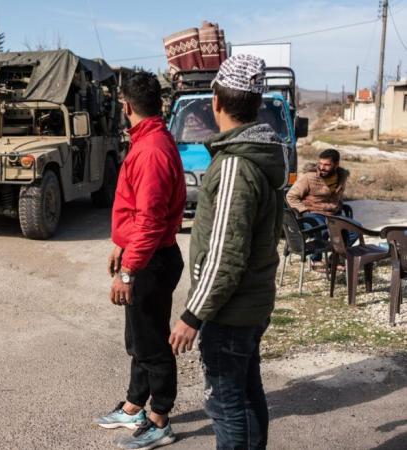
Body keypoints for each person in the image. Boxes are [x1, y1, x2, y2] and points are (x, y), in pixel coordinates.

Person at [169, 54, 287, 449]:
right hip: (248, 307)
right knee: (246, 394)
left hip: (230, 311)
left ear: (215, 101)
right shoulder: (256, 156)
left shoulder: (236, 165)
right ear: (256, 105)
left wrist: (192, 315)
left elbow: (224, 255)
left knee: (226, 405)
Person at [94, 72, 186, 450]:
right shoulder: (148, 140)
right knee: (138, 339)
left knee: (151, 345)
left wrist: (129, 272)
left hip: (151, 260)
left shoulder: (150, 150)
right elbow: (136, 210)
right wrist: (121, 242)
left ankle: (159, 418)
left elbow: (150, 220)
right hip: (145, 253)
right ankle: (135, 405)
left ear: (126, 106)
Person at [286, 149, 355, 269]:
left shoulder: (341, 177)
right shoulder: (309, 177)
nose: (322, 167)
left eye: (327, 165)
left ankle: (334, 259)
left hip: (333, 214)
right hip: (312, 213)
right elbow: (291, 196)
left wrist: (339, 207)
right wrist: (303, 211)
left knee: (355, 229)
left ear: (336, 164)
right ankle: (316, 260)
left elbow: (337, 197)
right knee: (322, 229)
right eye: (320, 164)